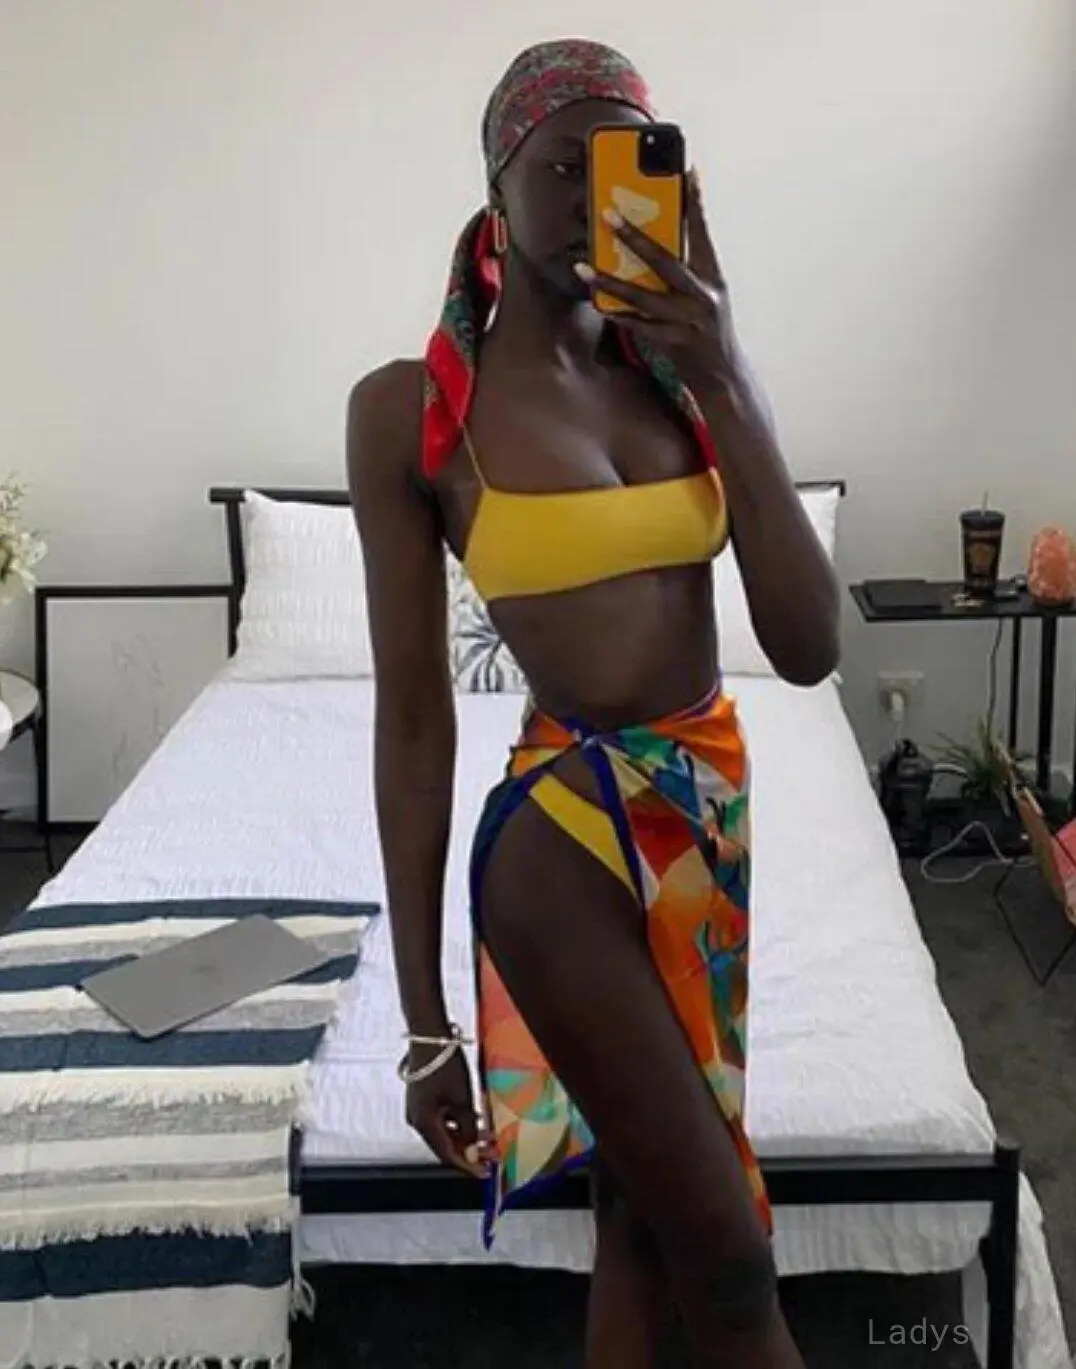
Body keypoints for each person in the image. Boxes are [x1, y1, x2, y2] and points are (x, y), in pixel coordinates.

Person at [347, 37, 839, 1369]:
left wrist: (724, 367)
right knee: (729, 1260)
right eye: (559, 167)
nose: (587, 198)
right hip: (561, 841)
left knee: (642, 1226)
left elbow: (807, 647)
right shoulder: (411, 411)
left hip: (705, 818)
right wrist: (424, 1028)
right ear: (495, 189)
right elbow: (413, 720)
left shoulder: (685, 377)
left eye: (623, 165)